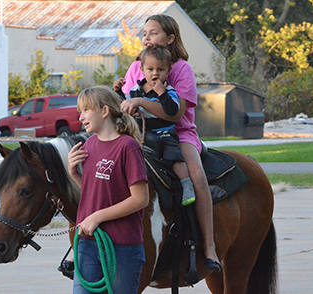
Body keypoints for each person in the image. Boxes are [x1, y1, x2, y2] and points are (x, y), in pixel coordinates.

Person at [118, 14, 222, 272]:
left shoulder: (181, 69)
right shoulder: (136, 66)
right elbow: (128, 98)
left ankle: (209, 247)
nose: (146, 37)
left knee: (197, 176)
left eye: (153, 33)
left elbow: (175, 113)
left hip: (178, 133)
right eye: (144, 33)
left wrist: (141, 102)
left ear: (170, 38)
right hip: (140, 132)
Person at [67, 86, 149, 294]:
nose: (81, 117)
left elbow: (140, 199)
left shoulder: (128, 147)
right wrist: (74, 173)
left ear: (104, 111)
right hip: (87, 243)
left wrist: (97, 217)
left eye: (86, 110)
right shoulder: (90, 145)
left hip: (121, 246)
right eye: (80, 112)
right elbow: (96, 192)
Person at [114, 45, 195, 206]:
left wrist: (162, 94)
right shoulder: (136, 90)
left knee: (174, 159)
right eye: (150, 69)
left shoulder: (169, 91)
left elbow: (172, 111)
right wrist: (117, 92)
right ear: (142, 70)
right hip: (143, 133)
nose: (155, 73)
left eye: (160, 69)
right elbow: (125, 105)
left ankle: (187, 184)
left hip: (164, 133)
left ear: (168, 70)